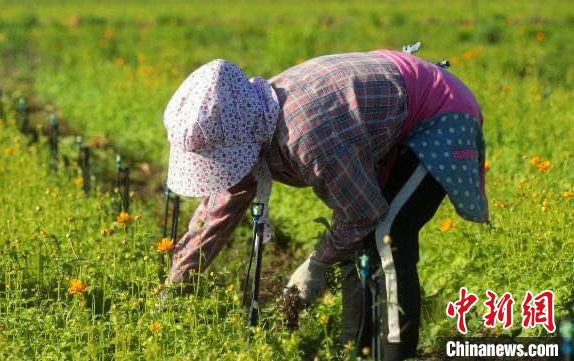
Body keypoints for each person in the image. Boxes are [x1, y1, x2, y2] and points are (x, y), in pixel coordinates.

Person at [162, 49, 489, 360]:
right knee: (354, 244)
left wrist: (316, 265)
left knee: (386, 234)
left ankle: (395, 353)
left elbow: (363, 213)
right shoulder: (253, 119)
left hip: (437, 115)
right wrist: (176, 283)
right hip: (384, 112)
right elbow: (219, 209)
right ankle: (354, 350)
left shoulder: (305, 136)